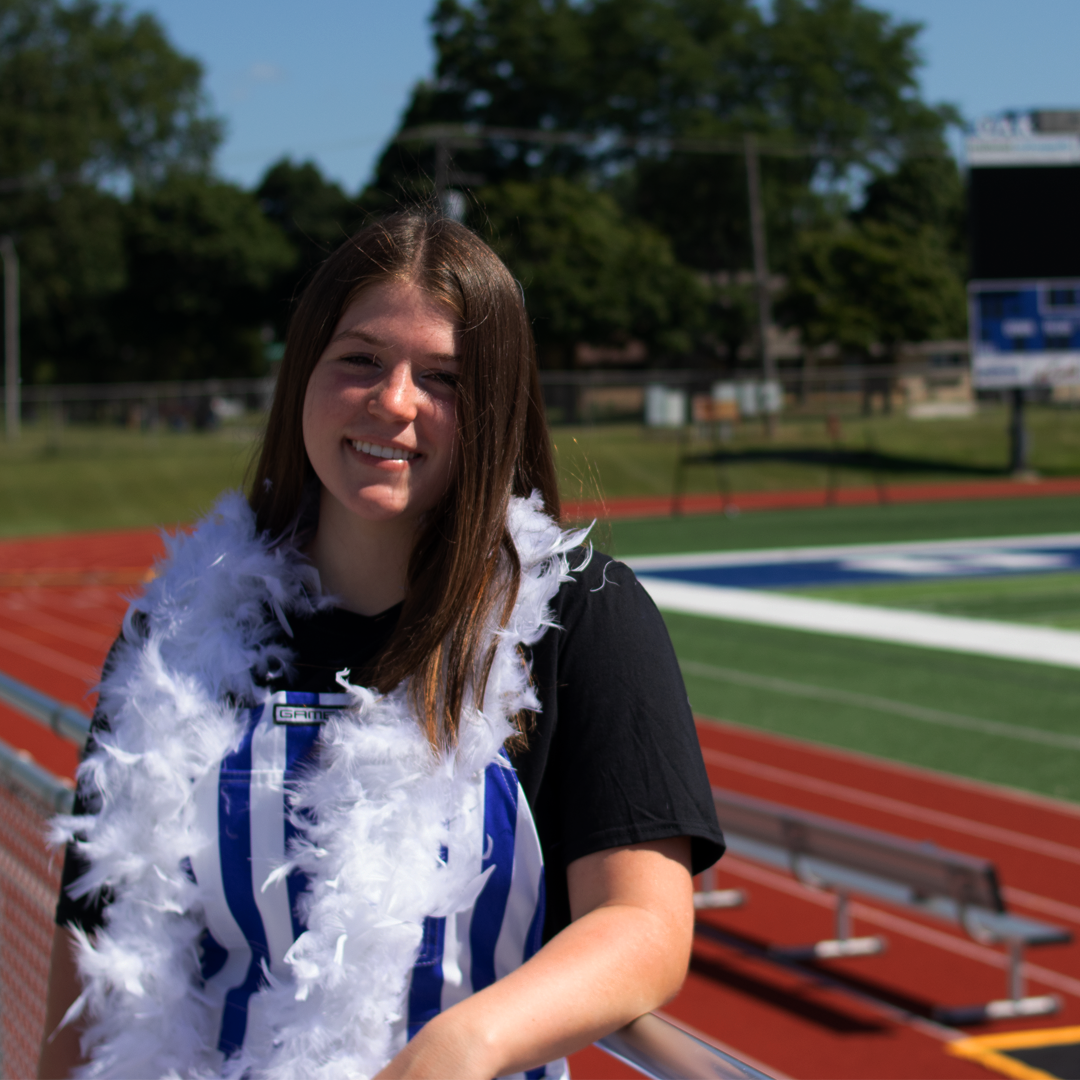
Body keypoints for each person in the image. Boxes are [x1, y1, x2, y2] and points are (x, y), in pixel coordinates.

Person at [38, 213, 724, 1079]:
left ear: (495, 408)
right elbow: (97, 940)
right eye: (360, 359)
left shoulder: (575, 617)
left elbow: (647, 926)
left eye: (444, 377)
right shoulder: (178, 625)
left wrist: (462, 1044)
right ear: (304, 380)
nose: (394, 401)